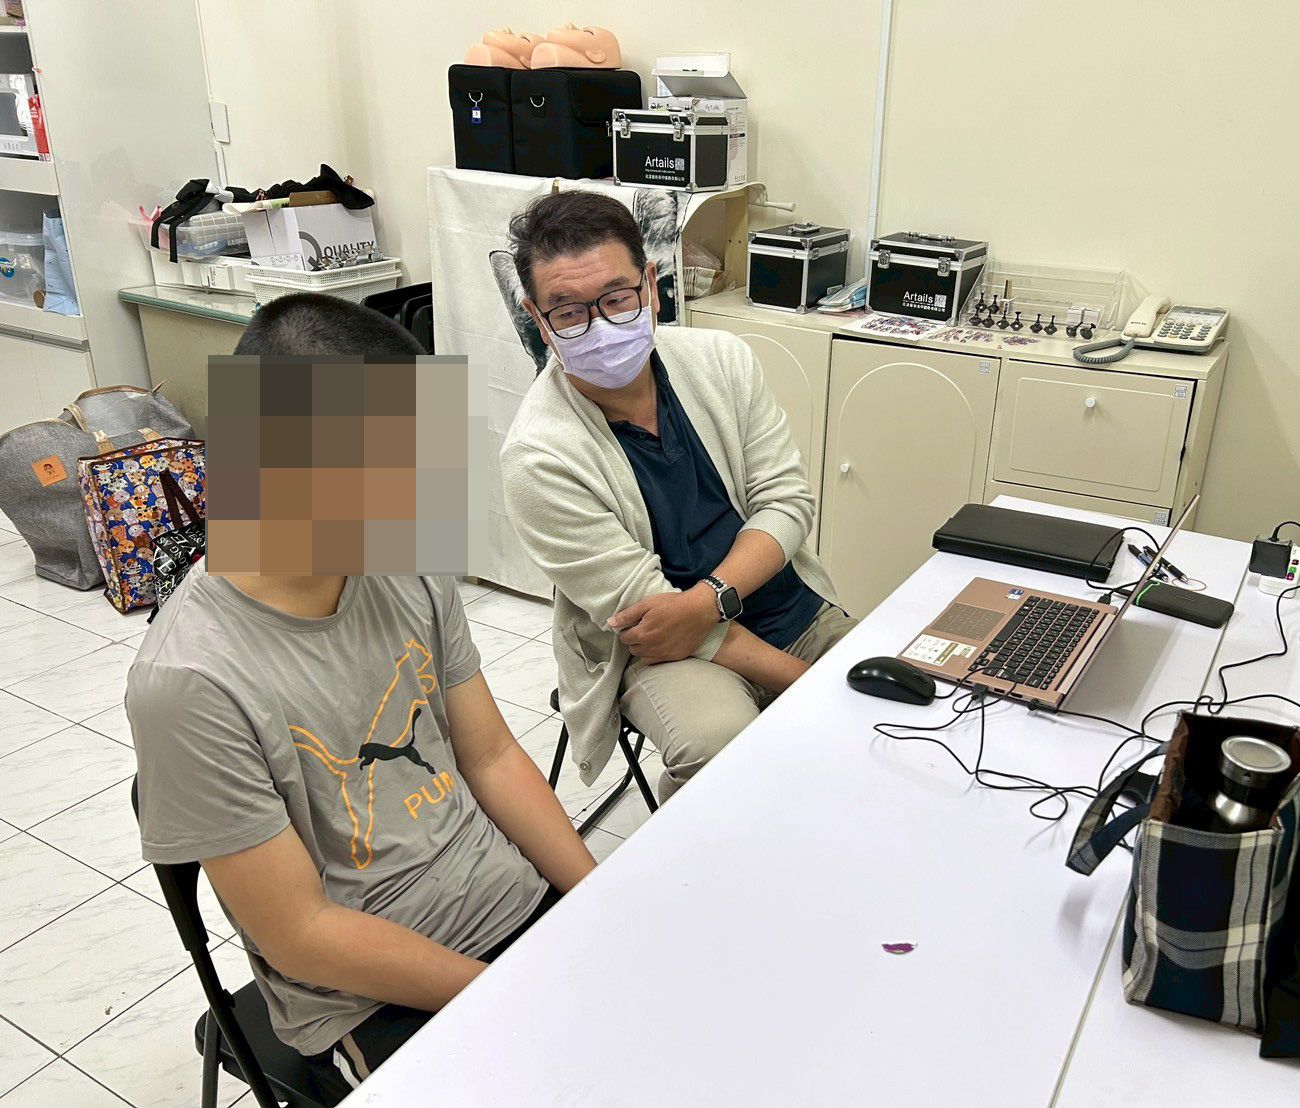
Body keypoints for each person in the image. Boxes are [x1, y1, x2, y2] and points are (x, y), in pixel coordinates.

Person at [129, 293, 595, 1100]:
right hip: (374, 995)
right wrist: (508, 997)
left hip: (510, 903)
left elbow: (490, 756)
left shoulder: (401, 564)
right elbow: (302, 935)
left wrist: (598, 900)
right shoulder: (189, 682)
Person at [501, 191, 855, 801]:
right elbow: (659, 622)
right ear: (538, 318)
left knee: (912, 709)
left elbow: (785, 502)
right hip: (659, 652)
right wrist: (810, 688)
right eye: (569, 311)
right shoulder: (538, 458)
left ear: (651, 286)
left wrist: (712, 599)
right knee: (724, 754)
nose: (599, 325)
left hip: (780, 602)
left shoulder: (721, 361)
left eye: (616, 297)